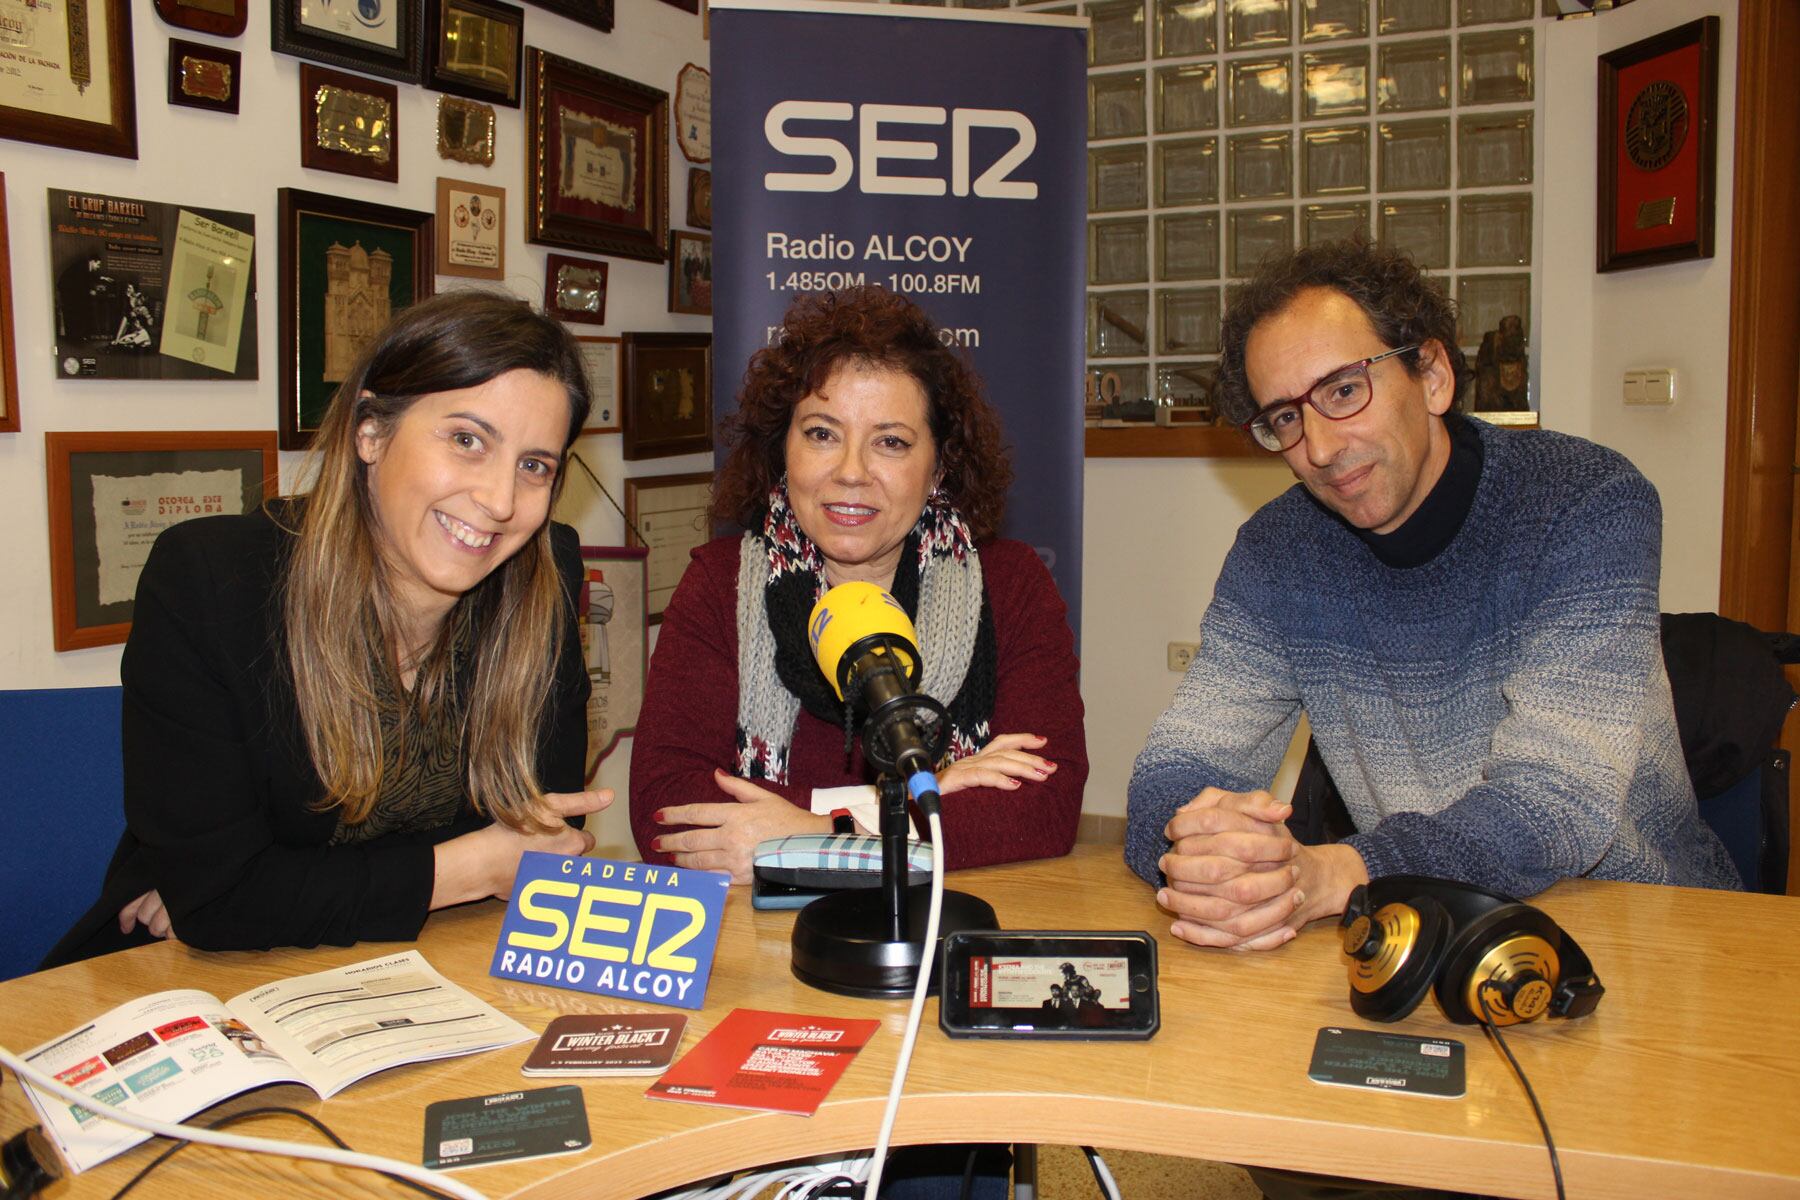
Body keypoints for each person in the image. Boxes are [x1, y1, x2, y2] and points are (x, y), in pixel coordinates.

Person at [1125, 237, 1740, 962]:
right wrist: (1201, 849)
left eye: (1345, 391)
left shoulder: (1584, 504)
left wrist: (1342, 872)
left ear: (1435, 376)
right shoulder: (1276, 554)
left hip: (1640, 932)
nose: (1319, 447)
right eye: (1286, 418)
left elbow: (1556, 803)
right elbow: (1179, 763)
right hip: (1422, 925)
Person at [45, 291, 611, 966]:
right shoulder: (212, 581)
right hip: (191, 984)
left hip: (425, 968)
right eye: (466, 440)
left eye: (534, 466)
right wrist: (464, 868)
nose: (499, 501)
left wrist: (270, 890)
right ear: (370, 431)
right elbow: (222, 901)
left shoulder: (543, 579)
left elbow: (539, 841)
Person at [630, 285, 1086, 883]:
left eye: (890, 442)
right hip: (759, 950)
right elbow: (669, 815)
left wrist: (820, 832)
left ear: (938, 466)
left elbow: (1043, 808)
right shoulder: (720, 583)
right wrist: (928, 794)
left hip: (936, 931)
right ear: (783, 449)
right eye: (822, 433)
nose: (851, 472)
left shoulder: (1011, 585)